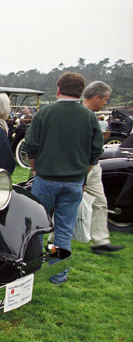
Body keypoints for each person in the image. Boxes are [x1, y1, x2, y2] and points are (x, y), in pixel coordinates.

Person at [22, 72, 104, 284]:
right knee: (64, 230)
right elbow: (95, 152)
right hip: (74, 181)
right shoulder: (89, 117)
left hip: (46, 179)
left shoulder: (45, 113)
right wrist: (82, 174)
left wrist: (34, 169)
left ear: (58, 90)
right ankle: (58, 274)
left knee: (37, 228)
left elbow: (30, 145)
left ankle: (33, 270)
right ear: (81, 92)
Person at [81, 81, 124, 254]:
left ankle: (100, 240)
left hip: (92, 167)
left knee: (100, 202)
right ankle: (54, 243)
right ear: (96, 97)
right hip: (81, 167)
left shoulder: (89, 115)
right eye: (105, 99)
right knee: (66, 206)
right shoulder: (82, 116)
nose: (106, 103)